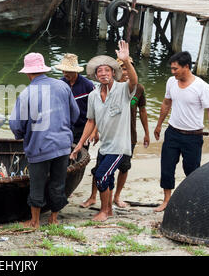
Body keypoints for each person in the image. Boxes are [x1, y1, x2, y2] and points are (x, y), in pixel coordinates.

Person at [9, 53, 80, 229]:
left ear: (28, 73)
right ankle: (53, 219)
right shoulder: (63, 86)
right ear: (43, 69)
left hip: (39, 146)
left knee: (37, 184)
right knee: (58, 183)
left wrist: (23, 135)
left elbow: (16, 124)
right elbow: (75, 114)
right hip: (63, 145)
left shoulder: (26, 94)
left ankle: (34, 222)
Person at [71, 40, 138, 222]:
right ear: (95, 75)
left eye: (107, 70)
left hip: (119, 146)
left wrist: (127, 61)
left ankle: (104, 210)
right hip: (104, 145)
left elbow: (134, 81)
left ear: (113, 73)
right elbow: (90, 121)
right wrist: (79, 145)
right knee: (105, 179)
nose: (103, 73)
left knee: (101, 176)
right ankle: (107, 210)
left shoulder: (123, 90)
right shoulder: (93, 95)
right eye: (99, 71)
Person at [80, 57, 150, 209]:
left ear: (112, 72)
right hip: (107, 140)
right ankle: (95, 198)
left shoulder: (133, 88)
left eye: (127, 68)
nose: (125, 71)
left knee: (122, 168)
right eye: (122, 68)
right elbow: (100, 115)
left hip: (126, 138)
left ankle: (114, 200)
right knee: (100, 170)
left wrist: (147, 132)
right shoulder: (100, 92)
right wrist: (93, 133)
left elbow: (143, 110)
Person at [153, 51, 209, 212]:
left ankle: (192, 199)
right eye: (172, 69)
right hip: (173, 132)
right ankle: (167, 200)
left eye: (175, 69)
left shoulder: (201, 87)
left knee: (192, 170)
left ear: (186, 67)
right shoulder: (171, 82)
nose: (172, 72)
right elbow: (166, 103)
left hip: (193, 136)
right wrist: (159, 125)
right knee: (166, 167)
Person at [55, 53, 95, 147]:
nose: (64, 73)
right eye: (63, 71)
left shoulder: (88, 86)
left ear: (75, 71)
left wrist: (93, 131)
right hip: (64, 128)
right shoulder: (60, 84)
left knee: (81, 156)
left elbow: (96, 110)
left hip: (83, 128)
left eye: (68, 71)